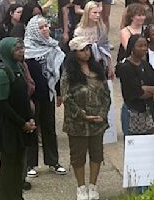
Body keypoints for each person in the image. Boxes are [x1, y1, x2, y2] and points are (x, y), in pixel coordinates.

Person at [61, 36, 111, 200]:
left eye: (88, 49)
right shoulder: (69, 74)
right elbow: (67, 98)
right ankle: (81, 187)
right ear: (75, 53)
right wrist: (83, 116)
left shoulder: (97, 70)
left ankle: (93, 186)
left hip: (97, 121)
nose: (86, 53)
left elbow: (106, 95)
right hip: (77, 123)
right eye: (82, 50)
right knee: (78, 155)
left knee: (97, 154)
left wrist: (102, 115)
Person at [0, 37, 36, 200]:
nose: (21, 51)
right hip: (9, 127)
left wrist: (30, 119)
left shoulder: (19, 67)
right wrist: (22, 123)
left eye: (22, 48)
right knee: (8, 168)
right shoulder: (1, 73)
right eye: (17, 49)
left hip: (22, 125)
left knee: (19, 167)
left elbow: (24, 98)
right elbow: (2, 105)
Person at [24, 16, 67, 178]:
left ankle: (53, 161)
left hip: (48, 94)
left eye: (46, 26)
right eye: (41, 27)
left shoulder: (52, 46)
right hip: (32, 97)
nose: (45, 29)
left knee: (49, 127)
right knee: (32, 129)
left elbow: (57, 73)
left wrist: (59, 93)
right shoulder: (27, 49)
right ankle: (30, 164)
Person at [118, 34, 154, 136]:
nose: (144, 49)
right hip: (133, 112)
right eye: (140, 46)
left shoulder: (145, 64)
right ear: (132, 47)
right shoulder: (126, 67)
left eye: (145, 45)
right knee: (134, 148)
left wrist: (146, 88)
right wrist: (147, 90)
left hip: (149, 112)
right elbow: (139, 93)